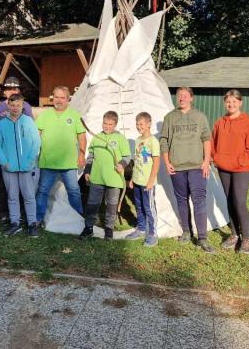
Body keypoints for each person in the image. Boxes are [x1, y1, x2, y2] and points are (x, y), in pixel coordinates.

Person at [160, 87, 214, 253]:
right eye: (179, 95)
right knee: (181, 200)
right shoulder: (170, 117)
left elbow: (206, 138)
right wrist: (167, 162)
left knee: (199, 200)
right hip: (177, 167)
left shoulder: (200, 116)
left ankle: (202, 238)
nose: (181, 98)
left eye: (185, 95)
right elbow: (164, 140)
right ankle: (186, 232)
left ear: (191, 98)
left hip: (197, 166)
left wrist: (206, 161)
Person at [211, 89, 249, 254]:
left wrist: (240, 162)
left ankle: (246, 238)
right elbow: (212, 142)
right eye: (228, 102)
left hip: (242, 169)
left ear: (240, 103)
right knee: (229, 200)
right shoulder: (219, 122)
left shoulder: (248, 122)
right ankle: (234, 234)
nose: (231, 104)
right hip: (223, 168)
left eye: (234, 101)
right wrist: (216, 158)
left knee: (239, 201)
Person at [35, 86, 87, 225]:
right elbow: (35, 135)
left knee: (74, 190)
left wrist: (82, 155)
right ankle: (38, 218)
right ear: (53, 98)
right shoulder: (45, 115)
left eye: (62, 97)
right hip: (48, 161)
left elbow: (82, 136)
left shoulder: (74, 115)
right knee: (43, 191)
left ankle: (78, 218)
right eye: (56, 97)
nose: (59, 100)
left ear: (68, 99)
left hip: (68, 162)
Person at [0, 94, 41, 237]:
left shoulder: (28, 121)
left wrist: (30, 160)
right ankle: (15, 222)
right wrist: (4, 162)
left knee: (29, 196)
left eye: (18, 105)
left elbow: (36, 141)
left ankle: (32, 223)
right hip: (9, 167)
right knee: (12, 196)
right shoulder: (2, 123)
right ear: (8, 106)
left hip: (27, 167)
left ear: (22, 106)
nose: (15, 108)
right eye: (12, 105)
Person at [80, 111, 131, 240]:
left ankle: (109, 229)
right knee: (92, 203)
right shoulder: (97, 137)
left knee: (112, 204)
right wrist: (87, 170)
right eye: (105, 123)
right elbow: (91, 156)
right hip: (97, 177)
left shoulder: (120, 138)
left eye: (110, 124)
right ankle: (88, 227)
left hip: (114, 178)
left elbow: (127, 156)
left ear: (115, 124)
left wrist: (122, 164)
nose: (106, 126)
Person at [0, 76, 33, 223]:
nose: (12, 91)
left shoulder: (26, 106)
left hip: (21, 153)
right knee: (4, 184)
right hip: (5, 152)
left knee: (24, 185)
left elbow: (30, 129)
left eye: (14, 88)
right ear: (4, 91)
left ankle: (23, 212)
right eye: (9, 88)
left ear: (19, 90)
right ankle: (5, 212)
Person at [125, 112, 160, 247]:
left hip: (147, 182)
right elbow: (137, 161)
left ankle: (153, 234)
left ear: (149, 124)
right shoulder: (138, 140)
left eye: (141, 124)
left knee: (149, 208)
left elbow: (156, 163)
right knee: (139, 206)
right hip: (138, 180)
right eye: (137, 124)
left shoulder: (153, 141)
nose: (139, 126)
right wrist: (132, 179)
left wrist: (151, 181)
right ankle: (141, 229)